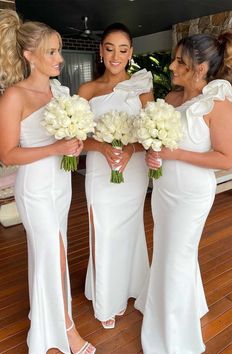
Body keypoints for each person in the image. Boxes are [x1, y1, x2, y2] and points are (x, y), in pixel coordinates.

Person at [0, 9, 96, 354]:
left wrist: (74, 141)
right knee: (52, 255)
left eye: (59, 50)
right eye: (51, 52)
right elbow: (8, 154)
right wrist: (55, 146)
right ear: (29, 56)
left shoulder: (59, 92)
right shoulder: (15, 96)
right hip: (35, 189)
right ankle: (66, 331)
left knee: (50, 255)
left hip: (61, 185)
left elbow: (65, 136)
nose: (59, 58)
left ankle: (44, 324)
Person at [135, 30, 232, 354]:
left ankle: (176, 341)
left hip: (191, 196)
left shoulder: (217, 105)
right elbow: (161, 145)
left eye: (180, 61)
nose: (172, 67)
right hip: (164, 191)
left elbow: (226, 158)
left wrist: (175, 154)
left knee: (175, 260)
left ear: (202, 67)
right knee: (172, 254)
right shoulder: (173, 98)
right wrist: (154, 151)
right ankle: (190, 305)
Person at [77, 22, 154, 329]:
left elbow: (149, 135)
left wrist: (131, 148)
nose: (116, 55)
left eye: (123, 49)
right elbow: (76, 138)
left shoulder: (142, 88)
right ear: (101, 51)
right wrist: (102, 146)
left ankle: (133, 287)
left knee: (130, 230)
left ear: (131, 53)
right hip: (99, 171)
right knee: (104, 231)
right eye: (110, 48)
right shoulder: (87, 90)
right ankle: (107, 299)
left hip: (132, 173)